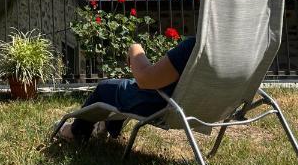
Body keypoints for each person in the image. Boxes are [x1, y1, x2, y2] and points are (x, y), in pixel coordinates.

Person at [59, 34, 196, 143]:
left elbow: (144, 79)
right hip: (190, 109)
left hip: (157, 104)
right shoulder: (215, 51)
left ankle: (76, 132)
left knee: (105, 88)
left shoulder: (194, 46)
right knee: (124, 85)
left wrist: (134, 49)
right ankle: (109, 128)